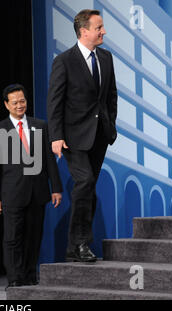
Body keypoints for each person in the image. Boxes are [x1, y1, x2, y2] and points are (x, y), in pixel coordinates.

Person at [47, 9, 117, 262]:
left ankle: (75, 248)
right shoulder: (64, 60)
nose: (103, 32)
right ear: (83, 31)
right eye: (99, 27)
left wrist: (112, 126)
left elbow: (111, 96)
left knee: (88, 189)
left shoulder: (106, 58)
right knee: (85, 183)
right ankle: (80, 244)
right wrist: (55, 136)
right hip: (72, 137)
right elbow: (54, 101)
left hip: (99, 136)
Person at [0, 84, 62, 288]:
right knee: (12, 238)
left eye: (22, 101)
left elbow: (49, 160)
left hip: (37, 191)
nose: (20, 105)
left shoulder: (41, 126)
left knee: (33, 236)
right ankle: (14, 277)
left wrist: (56, 187)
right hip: (11, 192)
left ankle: (30, 275)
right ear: (6, 105)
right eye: (15, 102)